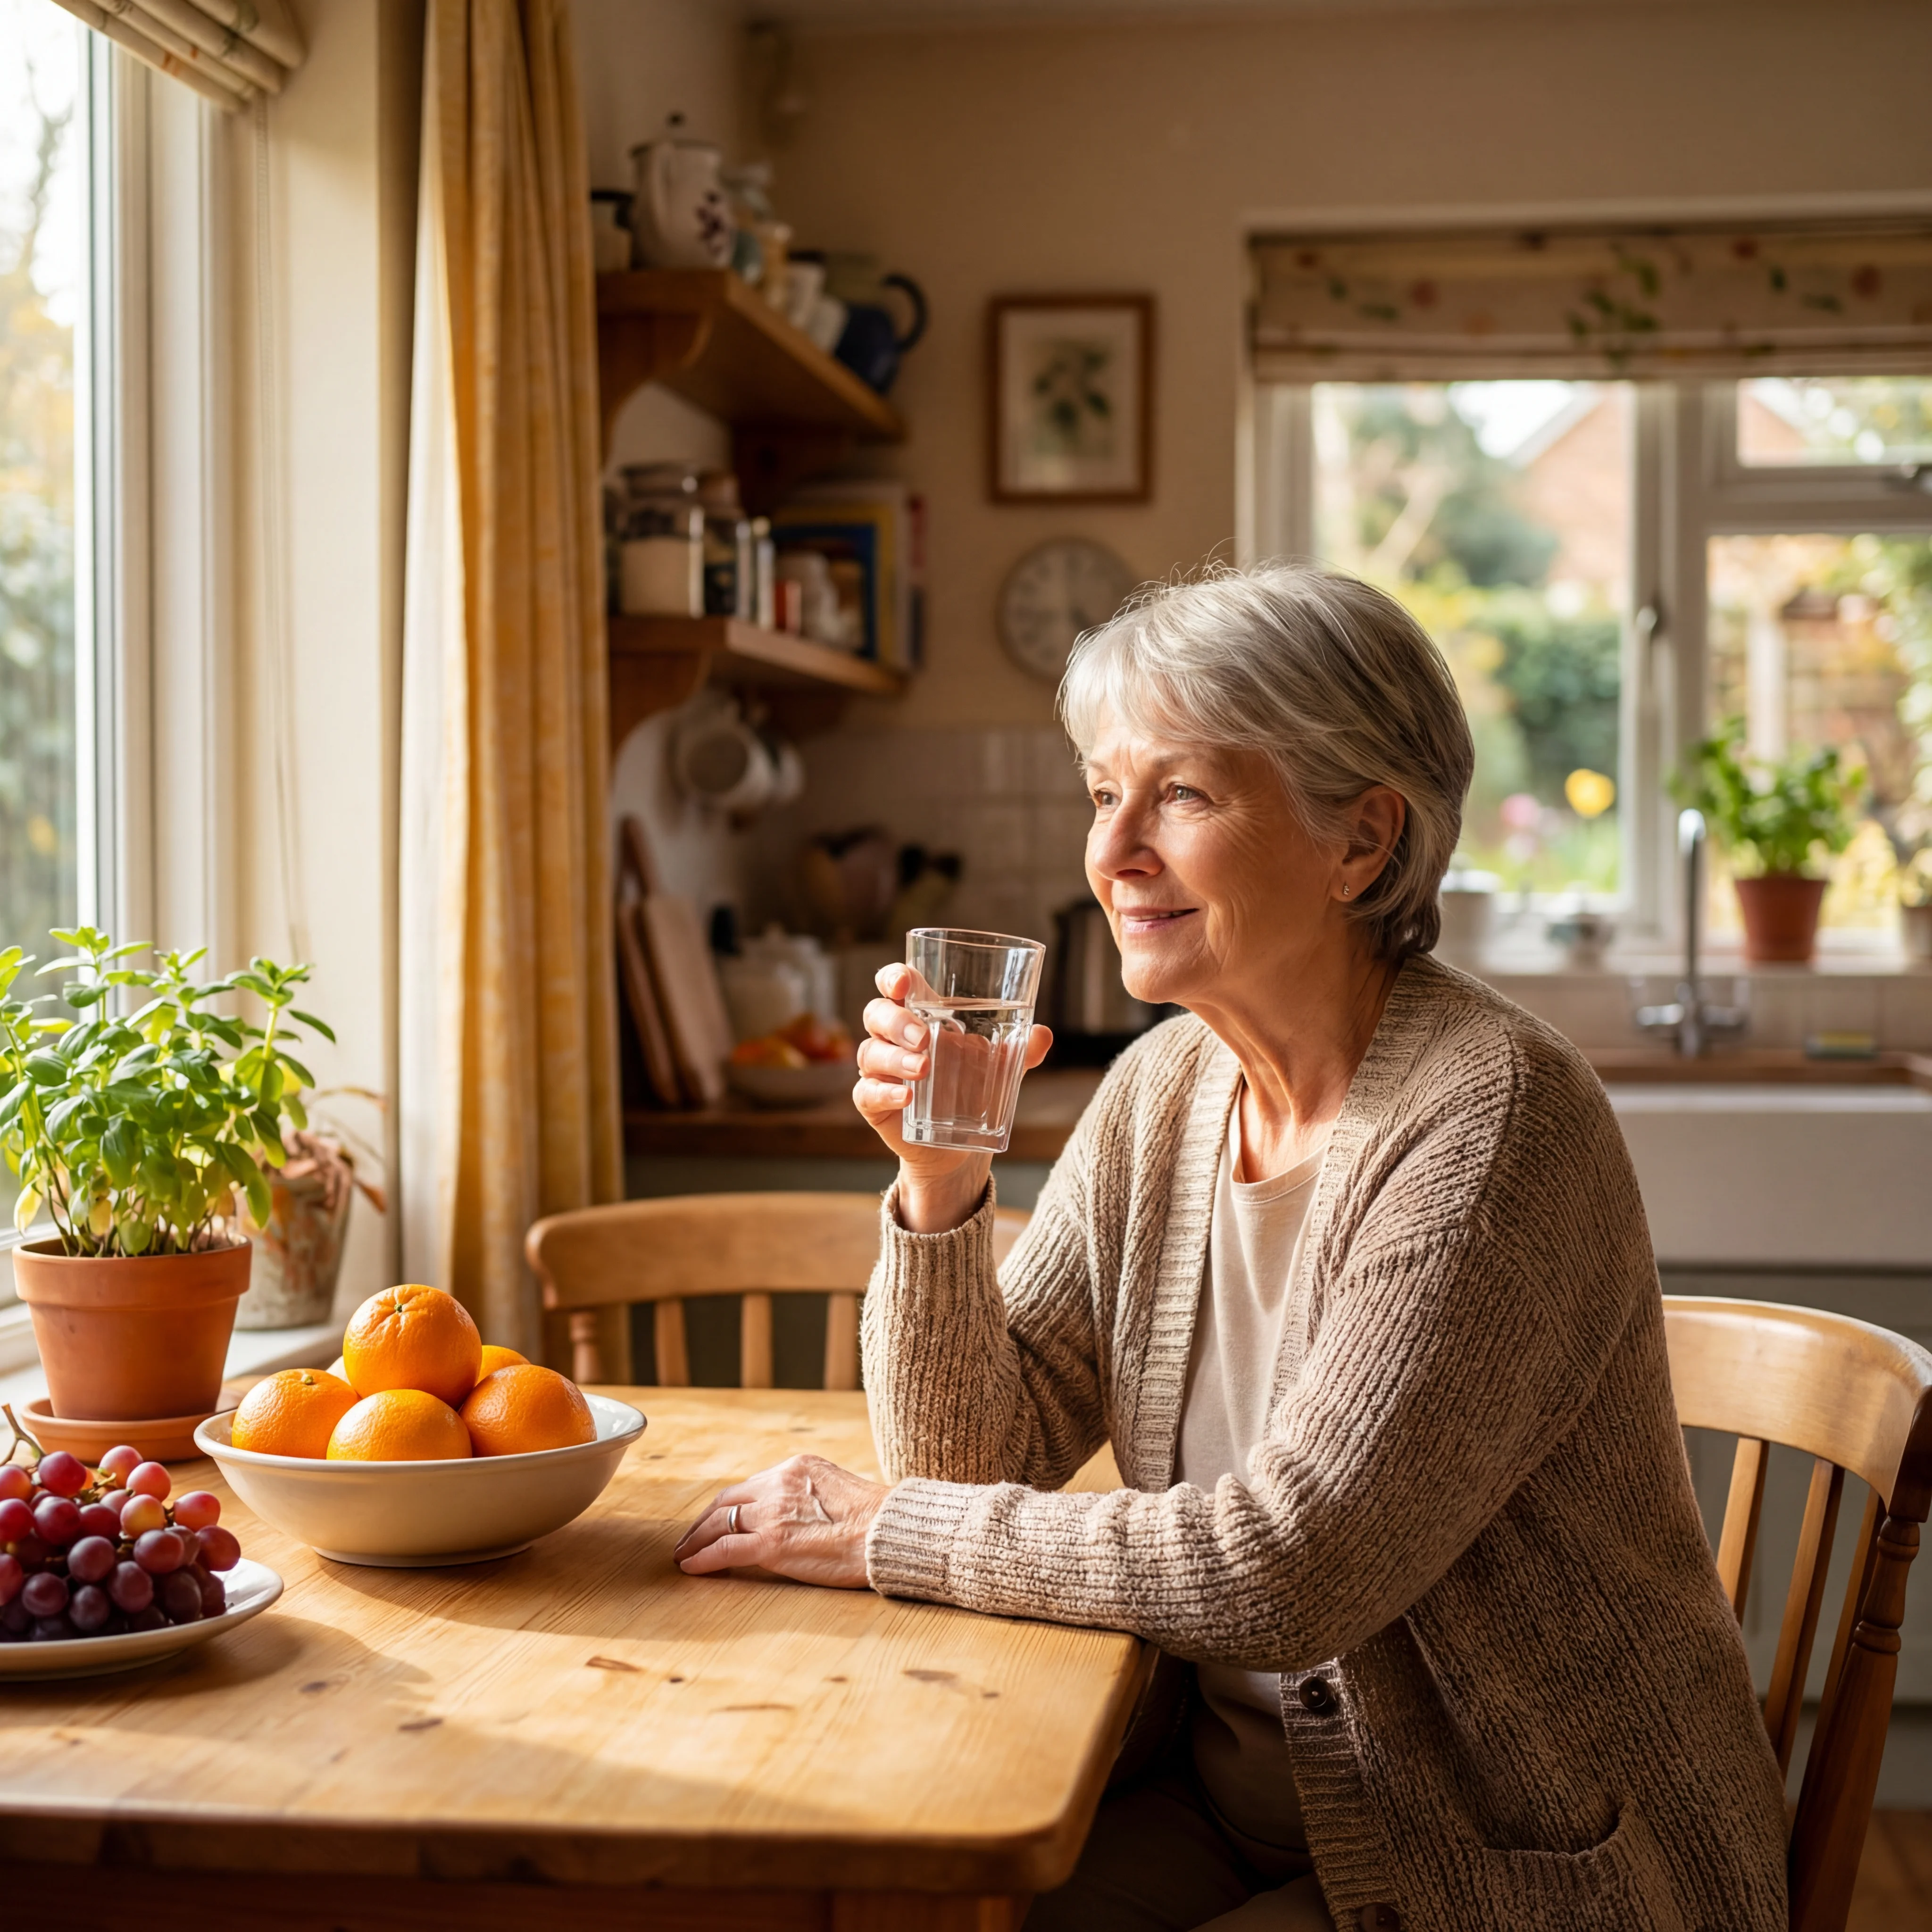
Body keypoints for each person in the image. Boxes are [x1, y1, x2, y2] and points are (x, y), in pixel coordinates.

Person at [675, 566, 1788, 1932]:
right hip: (1256, 1809)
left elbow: (1283, 1573)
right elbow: (968, 1458)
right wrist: (943, 1190)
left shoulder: (1494, 1124)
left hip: (1514, 1860)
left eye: (1183, 796)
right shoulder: (1166, 1091)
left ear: (1360, 844)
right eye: (1104, 792)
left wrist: (880, 1535)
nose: (1115, 851)